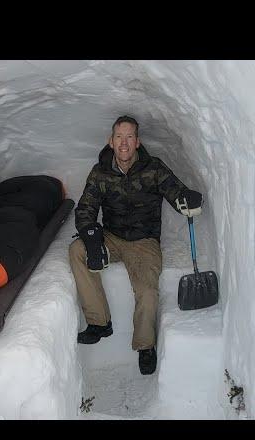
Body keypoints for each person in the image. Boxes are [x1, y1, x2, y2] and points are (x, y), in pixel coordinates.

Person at [69, 116, 203, 375]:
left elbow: (174, 190)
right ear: (111, 141)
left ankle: (145, 346)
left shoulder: (153, 168)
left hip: (144, 241)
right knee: (76, 251)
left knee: (147, 290)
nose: (124, 143)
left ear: (138, 142)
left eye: (129, 137)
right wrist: (92, 238)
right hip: (113, 236)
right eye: (119, 136)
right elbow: (85, 208)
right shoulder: (100, 172)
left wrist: (186, 198)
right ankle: (99, 323)